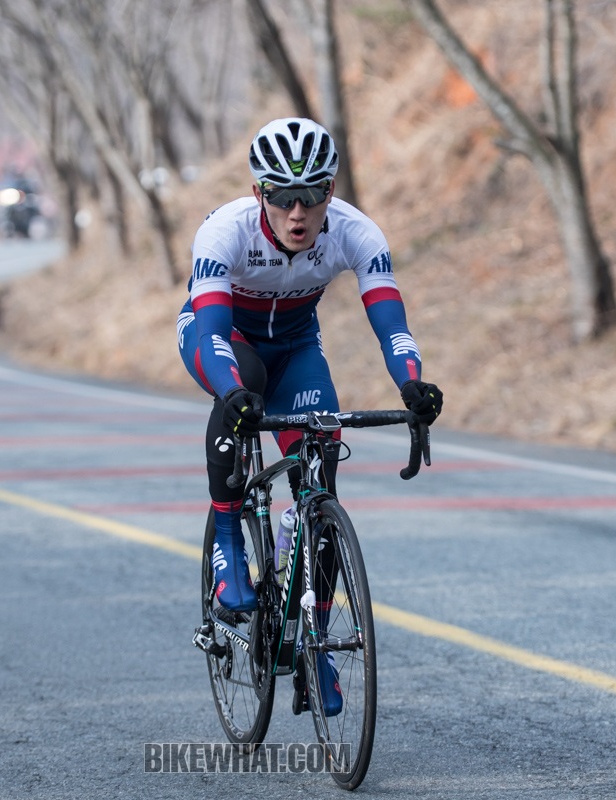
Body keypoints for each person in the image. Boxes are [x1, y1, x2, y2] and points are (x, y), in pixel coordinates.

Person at [176, 118, 443, 711]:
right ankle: (228, 540)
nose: (298, 213)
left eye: (312, 195)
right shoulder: (224, 232)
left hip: (297, 349)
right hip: (223, 339)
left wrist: (412, 383)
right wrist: (232, 391)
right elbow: (213, 331)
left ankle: (315, 646)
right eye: (282, 197)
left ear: (331, 191)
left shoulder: (355, 232)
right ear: (258, 194)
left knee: (319, 473)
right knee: (242, 384)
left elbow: (391, 324)